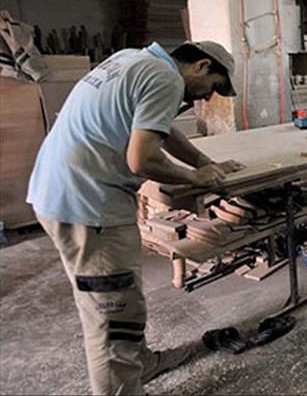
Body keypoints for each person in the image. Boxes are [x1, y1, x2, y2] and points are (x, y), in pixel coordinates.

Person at [27, 40, 245, 395]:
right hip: (89, 206)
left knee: (120, 302)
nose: (208, 97)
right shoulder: (166, 79)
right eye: (214, 86)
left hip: (60, 192)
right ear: (202, 66)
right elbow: (142, 159)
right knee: (111, 319)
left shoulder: (133, 59)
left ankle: (140, 365)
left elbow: (160, 129)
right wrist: (195, 178)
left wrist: (204, 163)